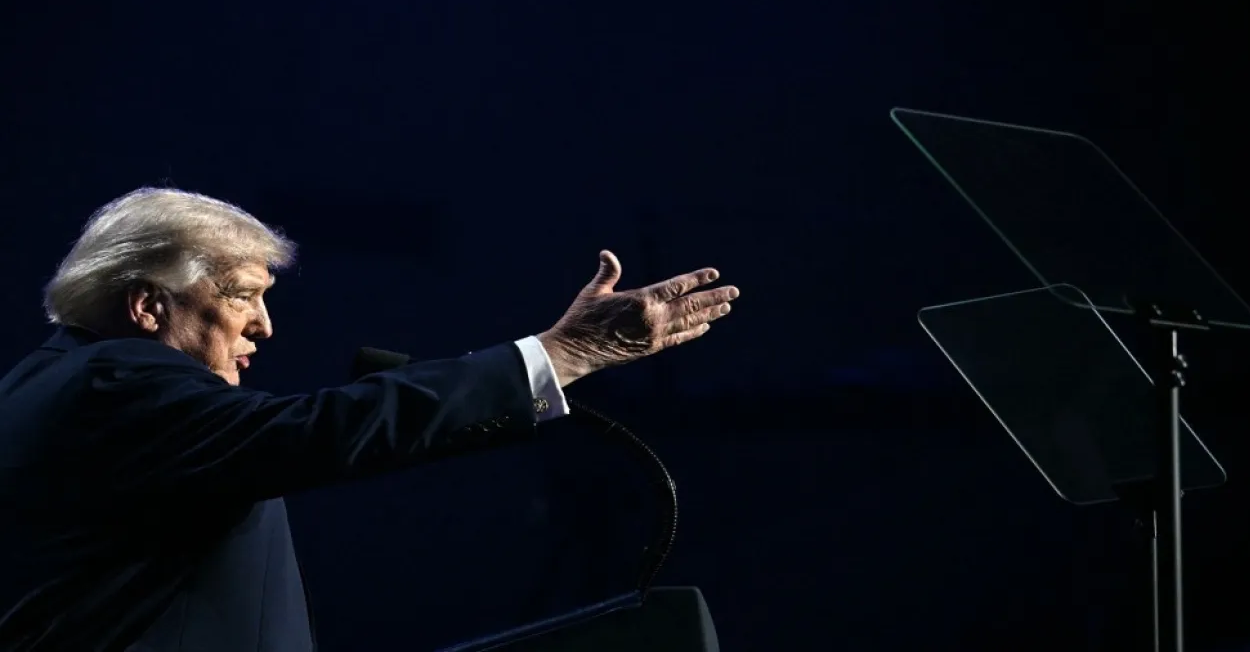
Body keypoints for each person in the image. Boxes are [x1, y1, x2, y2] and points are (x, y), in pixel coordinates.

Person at [0, 188, 738, 652]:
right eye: (241, 295)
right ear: (147, 306)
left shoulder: (44, 383)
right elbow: (321, 430)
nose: (264, 326)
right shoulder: (115, 383)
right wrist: (563, 353)